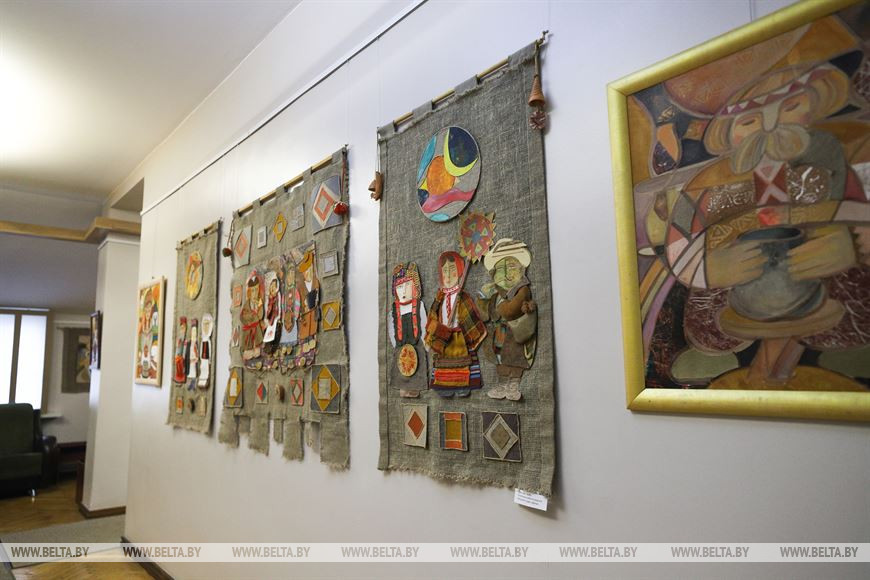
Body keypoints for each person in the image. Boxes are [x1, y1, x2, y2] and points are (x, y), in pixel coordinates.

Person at [478, 239, 537, 401]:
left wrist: (500, 306)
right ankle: (503, 383)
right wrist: (484, 301)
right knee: (499, 358)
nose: (506, 274)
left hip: (515, 332)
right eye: (500, 270)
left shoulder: (522, 290)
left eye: (511, 267)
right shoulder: (496, 293)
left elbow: (510, 311)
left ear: (521, 269)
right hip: (499, 334)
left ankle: (514, 384)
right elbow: (486, 313)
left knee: (515, 357)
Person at [424, 251, 486, 396]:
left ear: (459, 271)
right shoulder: (439, 298)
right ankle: (444, 385)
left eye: (452, 269)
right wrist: (430, 337)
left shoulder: (462, 296)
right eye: (444, 271)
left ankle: (463, 384)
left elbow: (470, 316)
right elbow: (433, 317)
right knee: (443, 363)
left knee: (462, 361)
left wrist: (471, 337)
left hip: (459, 337)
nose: (448, 275)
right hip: (443, 337)